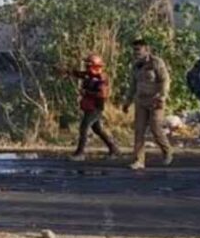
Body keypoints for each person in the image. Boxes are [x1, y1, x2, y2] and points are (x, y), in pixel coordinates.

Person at [122, 39, 174, 170]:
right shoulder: (135, 66)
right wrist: (127, 102)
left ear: (147, 50)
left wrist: (162, 96)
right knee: (139, 131)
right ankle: (139, 160)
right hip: (141, 101)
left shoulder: (156, 63)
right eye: (134, 50)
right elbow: (132, 86)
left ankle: (167, 151)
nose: (136, 53)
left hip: (155, 100)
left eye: (138, 50)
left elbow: (165, 80)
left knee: (155, 127)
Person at [70, 54, 119, 161]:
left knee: (84, 127)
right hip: (89, 106)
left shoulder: (101, 78)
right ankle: (113, 148)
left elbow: (102, 94)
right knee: (98, 129)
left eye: (89, 65)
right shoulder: (89, 75)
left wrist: (86, 92)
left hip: (96, 107)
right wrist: (68, 71)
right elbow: (80, 74)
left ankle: (80, 153)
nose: (87, 68)